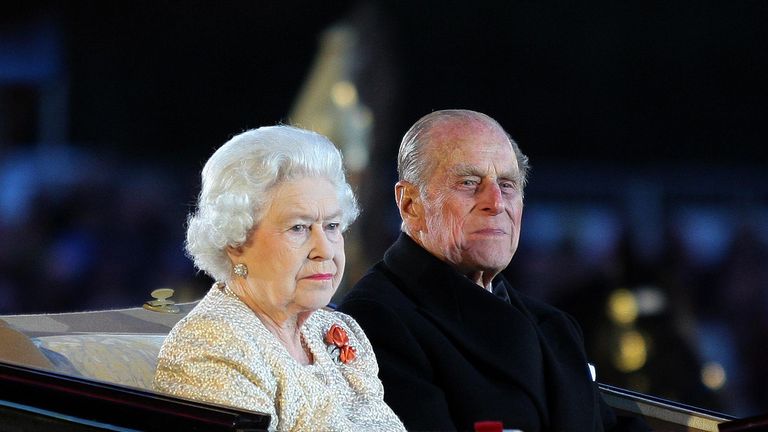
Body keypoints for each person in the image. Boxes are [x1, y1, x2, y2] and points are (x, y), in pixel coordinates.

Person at [339, 110, 648, 431]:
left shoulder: (555, 327)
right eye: (469, 183)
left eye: (507, 184)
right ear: (410, 204)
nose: (496, 202)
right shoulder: (374, 320)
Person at [154, 126, 405, 431]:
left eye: (332, 225)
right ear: (236, 241)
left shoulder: (336, 330)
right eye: (299, 228)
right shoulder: (210, 344)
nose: (325, 249)